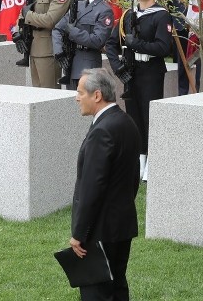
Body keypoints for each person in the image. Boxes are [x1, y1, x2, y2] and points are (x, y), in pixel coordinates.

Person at [69, 68, 140, 301]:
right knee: (117, 287)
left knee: (96, 293)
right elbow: (133, 178)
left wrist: (80, 233)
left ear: (97, 95)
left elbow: (92, 187)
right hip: (122, 226)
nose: (77, 97)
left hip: (99, 230)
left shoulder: (102, 131)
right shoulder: (126, 122)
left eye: (80, 92)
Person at [105, 0, 172, 182]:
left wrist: (137, 44)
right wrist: (118, 68)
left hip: (151, 72)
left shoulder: (161, 15)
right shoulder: (128, 15)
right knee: (134, 119)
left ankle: (152, 162)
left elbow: (164, 47)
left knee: (149, 118)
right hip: (131, 73)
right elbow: (110, 44)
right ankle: (139, 161)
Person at [53, 0, 114, 89]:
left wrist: (73, 31)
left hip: (88, 64)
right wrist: (59, 51)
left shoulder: (104, 10)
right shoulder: (78, 5)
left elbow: (98, 40)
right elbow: (58, 28)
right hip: (70, 62)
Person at [21, 0, 71, 88]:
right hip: (34, 46)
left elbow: (50, 20)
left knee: (49, 93)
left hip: (48, 49)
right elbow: (25, 10)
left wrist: (28, 15)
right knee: (37, 93)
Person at [170, 0, 203, 95]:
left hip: (200, 25)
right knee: (183, 61)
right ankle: (182, 92)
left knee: (202, 60)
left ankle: (201, 90)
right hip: (182, 24)